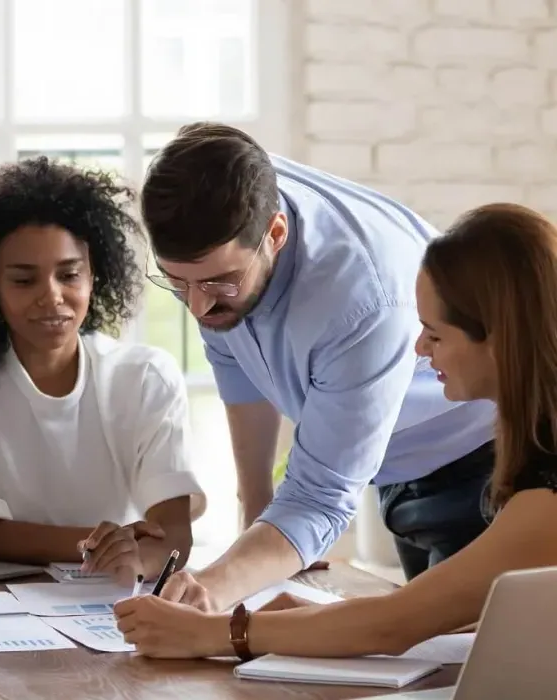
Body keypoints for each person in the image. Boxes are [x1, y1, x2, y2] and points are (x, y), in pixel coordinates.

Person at [114, 202, 557, 660]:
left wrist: (215, 634)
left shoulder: (549, 491)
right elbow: (472, 609)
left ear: (501, 339)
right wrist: (312, 622)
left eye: (435, 334)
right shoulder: (537, 451)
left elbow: (395, 627)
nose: (420, 350)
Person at [132, 122, 495, 614]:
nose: (196, 306)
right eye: (176, 282)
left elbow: (319, 499)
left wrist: (214, 590)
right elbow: (235, 359)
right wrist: (260, 523)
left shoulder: (362, 303)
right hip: (394, 470)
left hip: (479, 469)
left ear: (275, 235)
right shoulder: (221, 198)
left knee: (458, 660)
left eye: (219, 282)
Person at [0, 156, 206, 586]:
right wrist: (103, 543)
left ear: (94, 275)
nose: (52, 297)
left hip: (98, 606)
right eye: (24, 281)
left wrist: (138, 557)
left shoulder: (145, 377)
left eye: (69, 274)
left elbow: (173, 537)